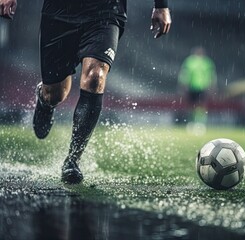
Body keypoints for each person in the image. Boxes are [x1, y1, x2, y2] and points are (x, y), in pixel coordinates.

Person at [0, 0, 171, 184]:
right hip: (59, 12)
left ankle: (73, 159)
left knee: (95, 77)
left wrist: (161, 5)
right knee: (55, 94)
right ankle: (44, 98)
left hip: (106, 12)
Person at [178, 47, 217, 129]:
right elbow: (185, 74)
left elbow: (211, 75)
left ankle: (199, 123)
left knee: (201, 106)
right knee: (192, 106)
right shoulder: (190, 61)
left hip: (202, 87)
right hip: (192, 87)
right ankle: (192, 123)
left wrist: (212, 86)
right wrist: (183, 85)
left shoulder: (207, 62)